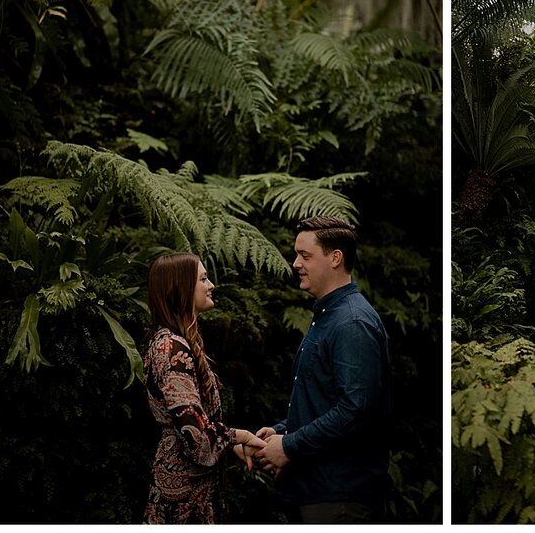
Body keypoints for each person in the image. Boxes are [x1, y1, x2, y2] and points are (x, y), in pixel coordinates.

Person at [255, 216, 391, 523]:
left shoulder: (352, 323)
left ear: (335, 258)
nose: (295, 264)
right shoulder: (329, 316)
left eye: (305, 256)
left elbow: (355, 410)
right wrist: (281, 430)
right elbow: (324, 400)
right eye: (296, 255)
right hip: (316, 491)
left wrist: (288, 446)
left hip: (339, 496)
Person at [142, 252, 266, 524]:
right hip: (183, 495)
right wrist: (239, 436)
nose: (211, 285)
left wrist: (228, 446)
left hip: (194, 488)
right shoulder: (171, 348)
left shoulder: (178, 341)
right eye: (203, 279)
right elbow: (194, 434)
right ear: (181, 287)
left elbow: (196, 423)